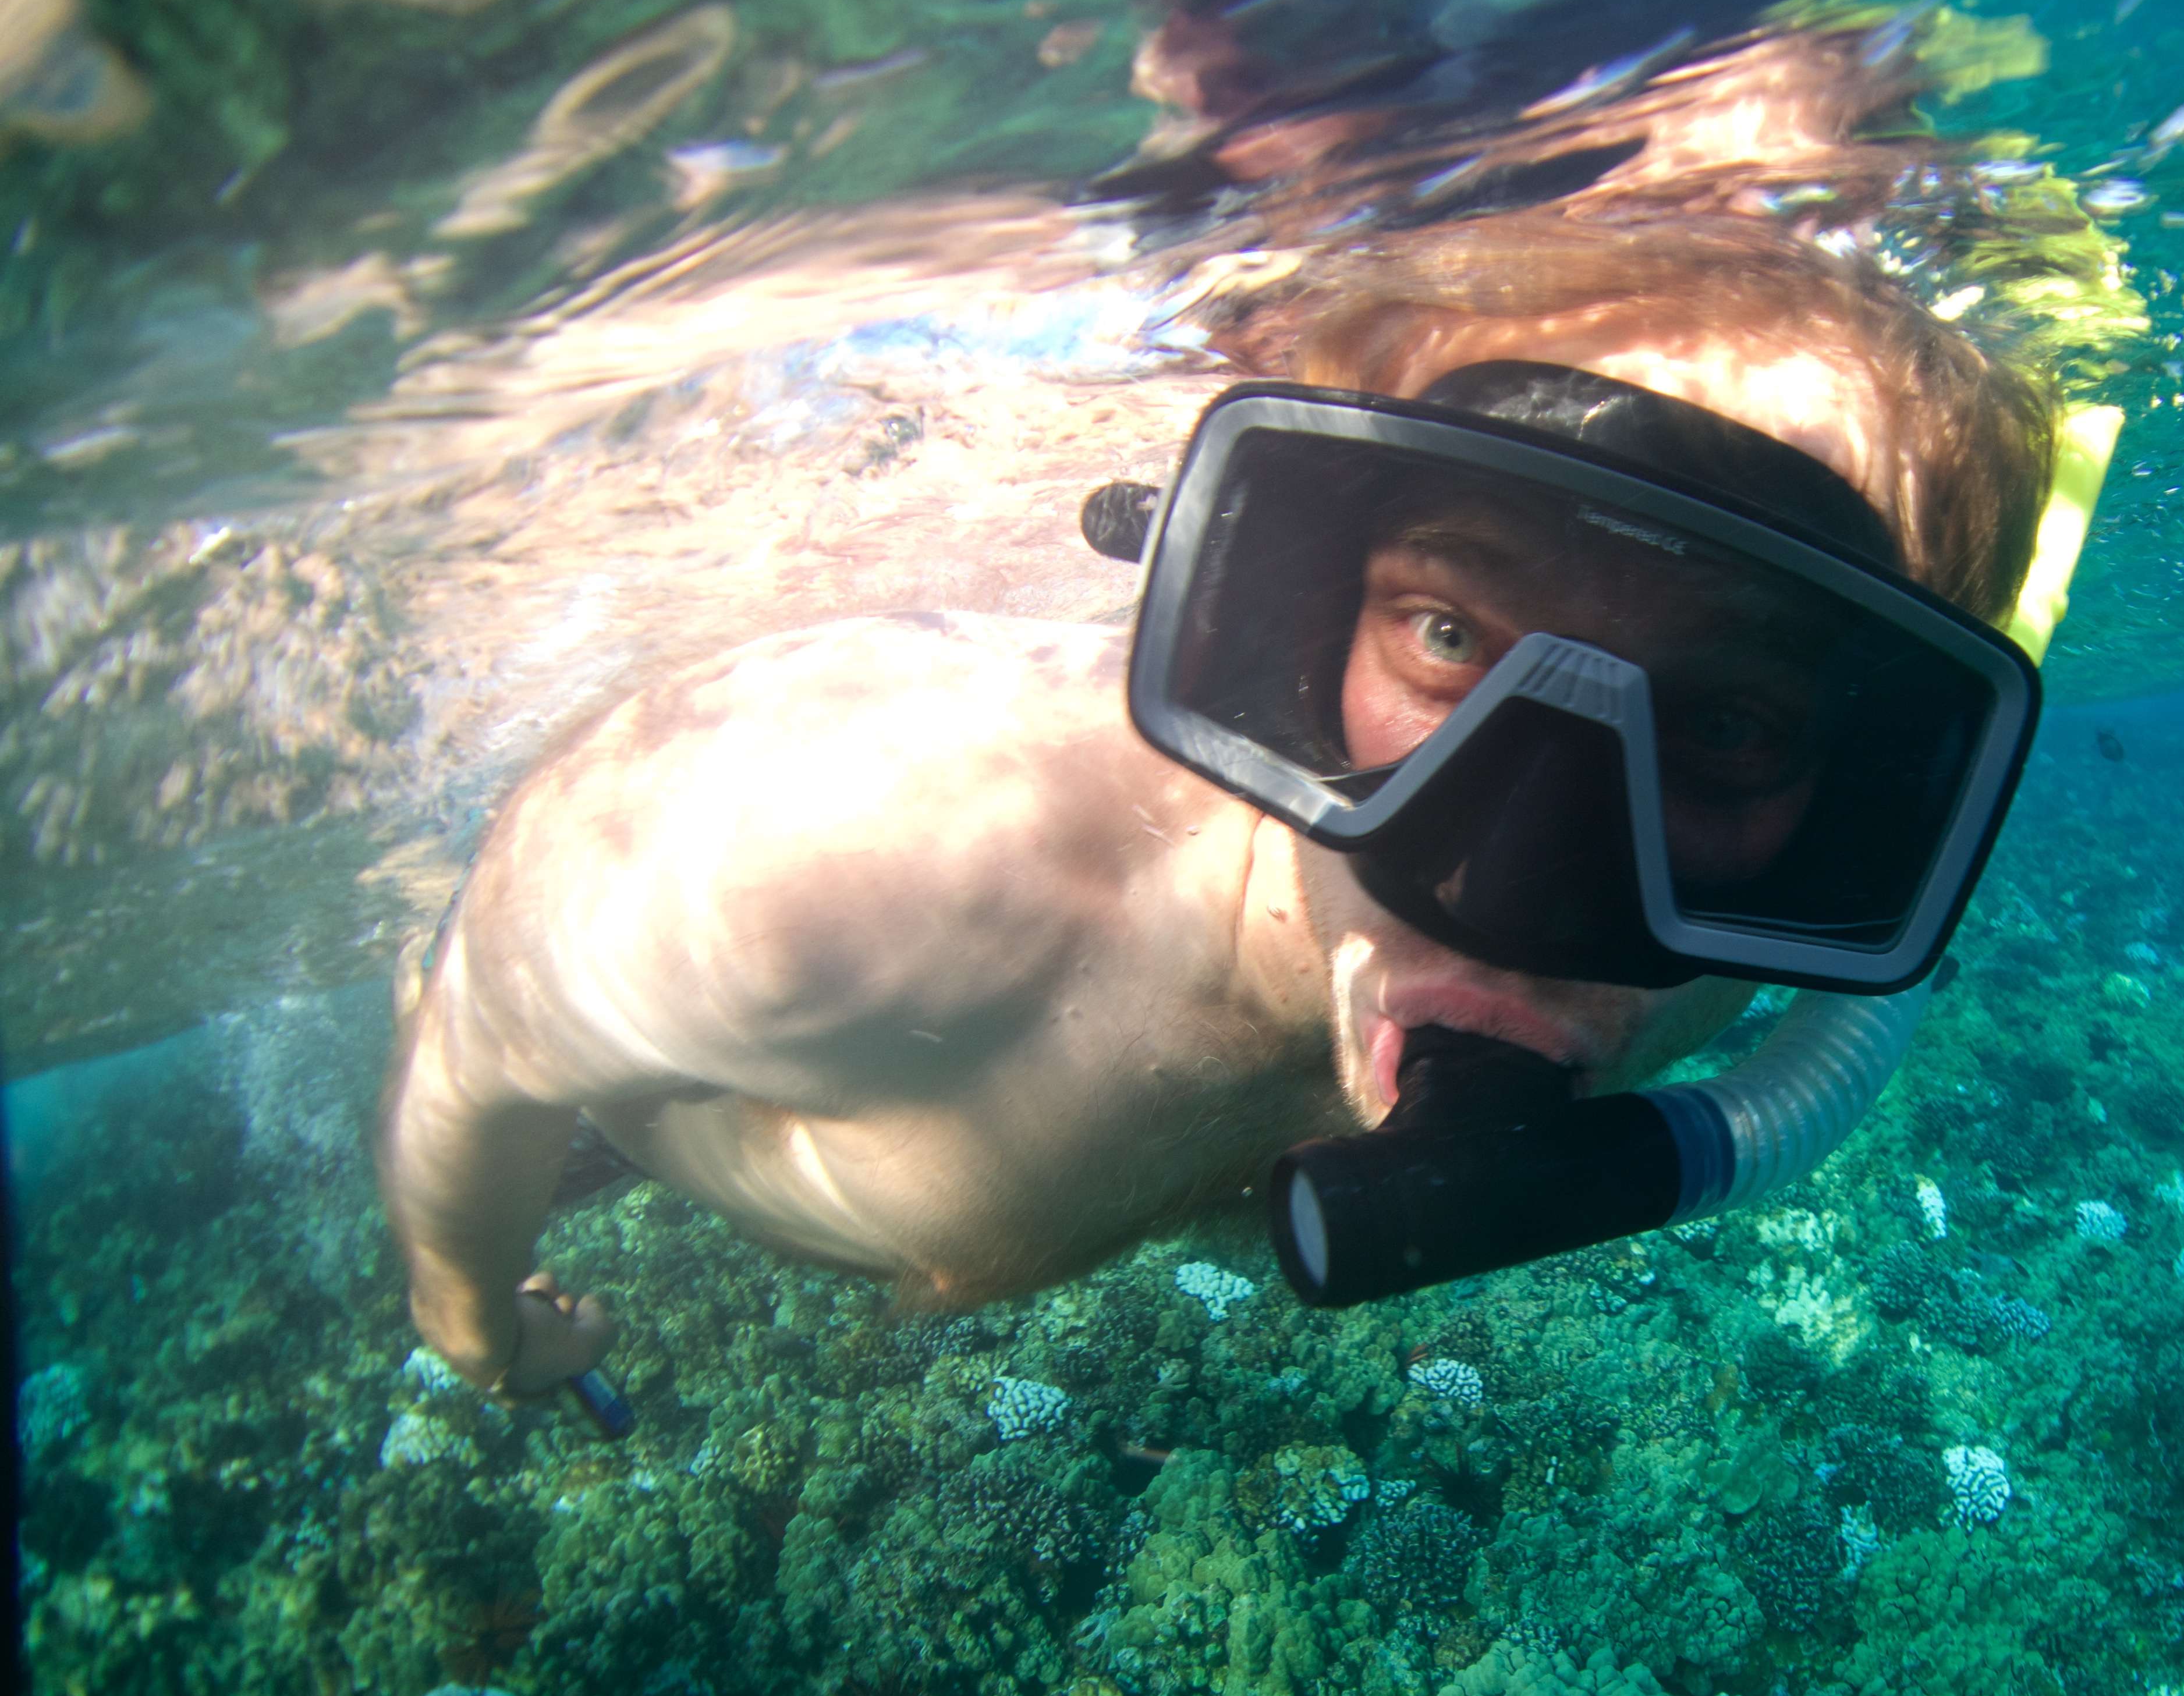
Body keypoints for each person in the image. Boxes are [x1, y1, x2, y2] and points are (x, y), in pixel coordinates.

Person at [374, 211, 2057, 1403]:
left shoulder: (1736, 955)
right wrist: (476, 1331)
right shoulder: (845, 853)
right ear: (1289, 623)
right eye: (1449, 634)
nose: (1527, 879)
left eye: (1736, 721)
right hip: (653, 1117)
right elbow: (476, 1041)